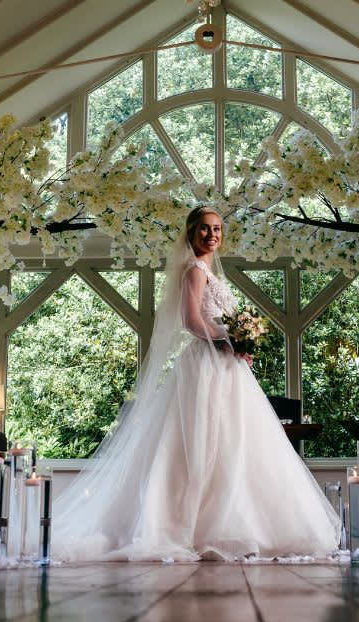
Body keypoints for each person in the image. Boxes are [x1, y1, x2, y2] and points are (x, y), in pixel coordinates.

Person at [52, 206, 340, 561]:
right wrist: (225, 339)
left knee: (233, 443)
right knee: (203, 442)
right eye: (204, 229)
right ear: (190, 233)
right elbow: (190, 321)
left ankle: (232, 523)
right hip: (205, 365)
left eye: (217, 229)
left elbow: (214, 320)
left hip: (224, 365)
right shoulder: (194, 270)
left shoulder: (207, 272)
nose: (212, 235)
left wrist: (238, 343)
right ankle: (192, 527)